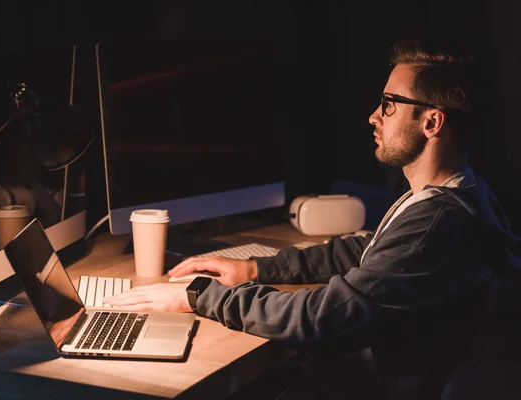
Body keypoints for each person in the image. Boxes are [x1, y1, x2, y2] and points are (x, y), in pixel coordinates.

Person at [104, 38, 514, 399]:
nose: (374, 116)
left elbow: (322, 319)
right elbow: (369, 248)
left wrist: (197, 296)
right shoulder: (462, 192)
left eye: (389, 105)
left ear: (431, 121)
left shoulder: (435, 223)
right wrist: (254, 267)